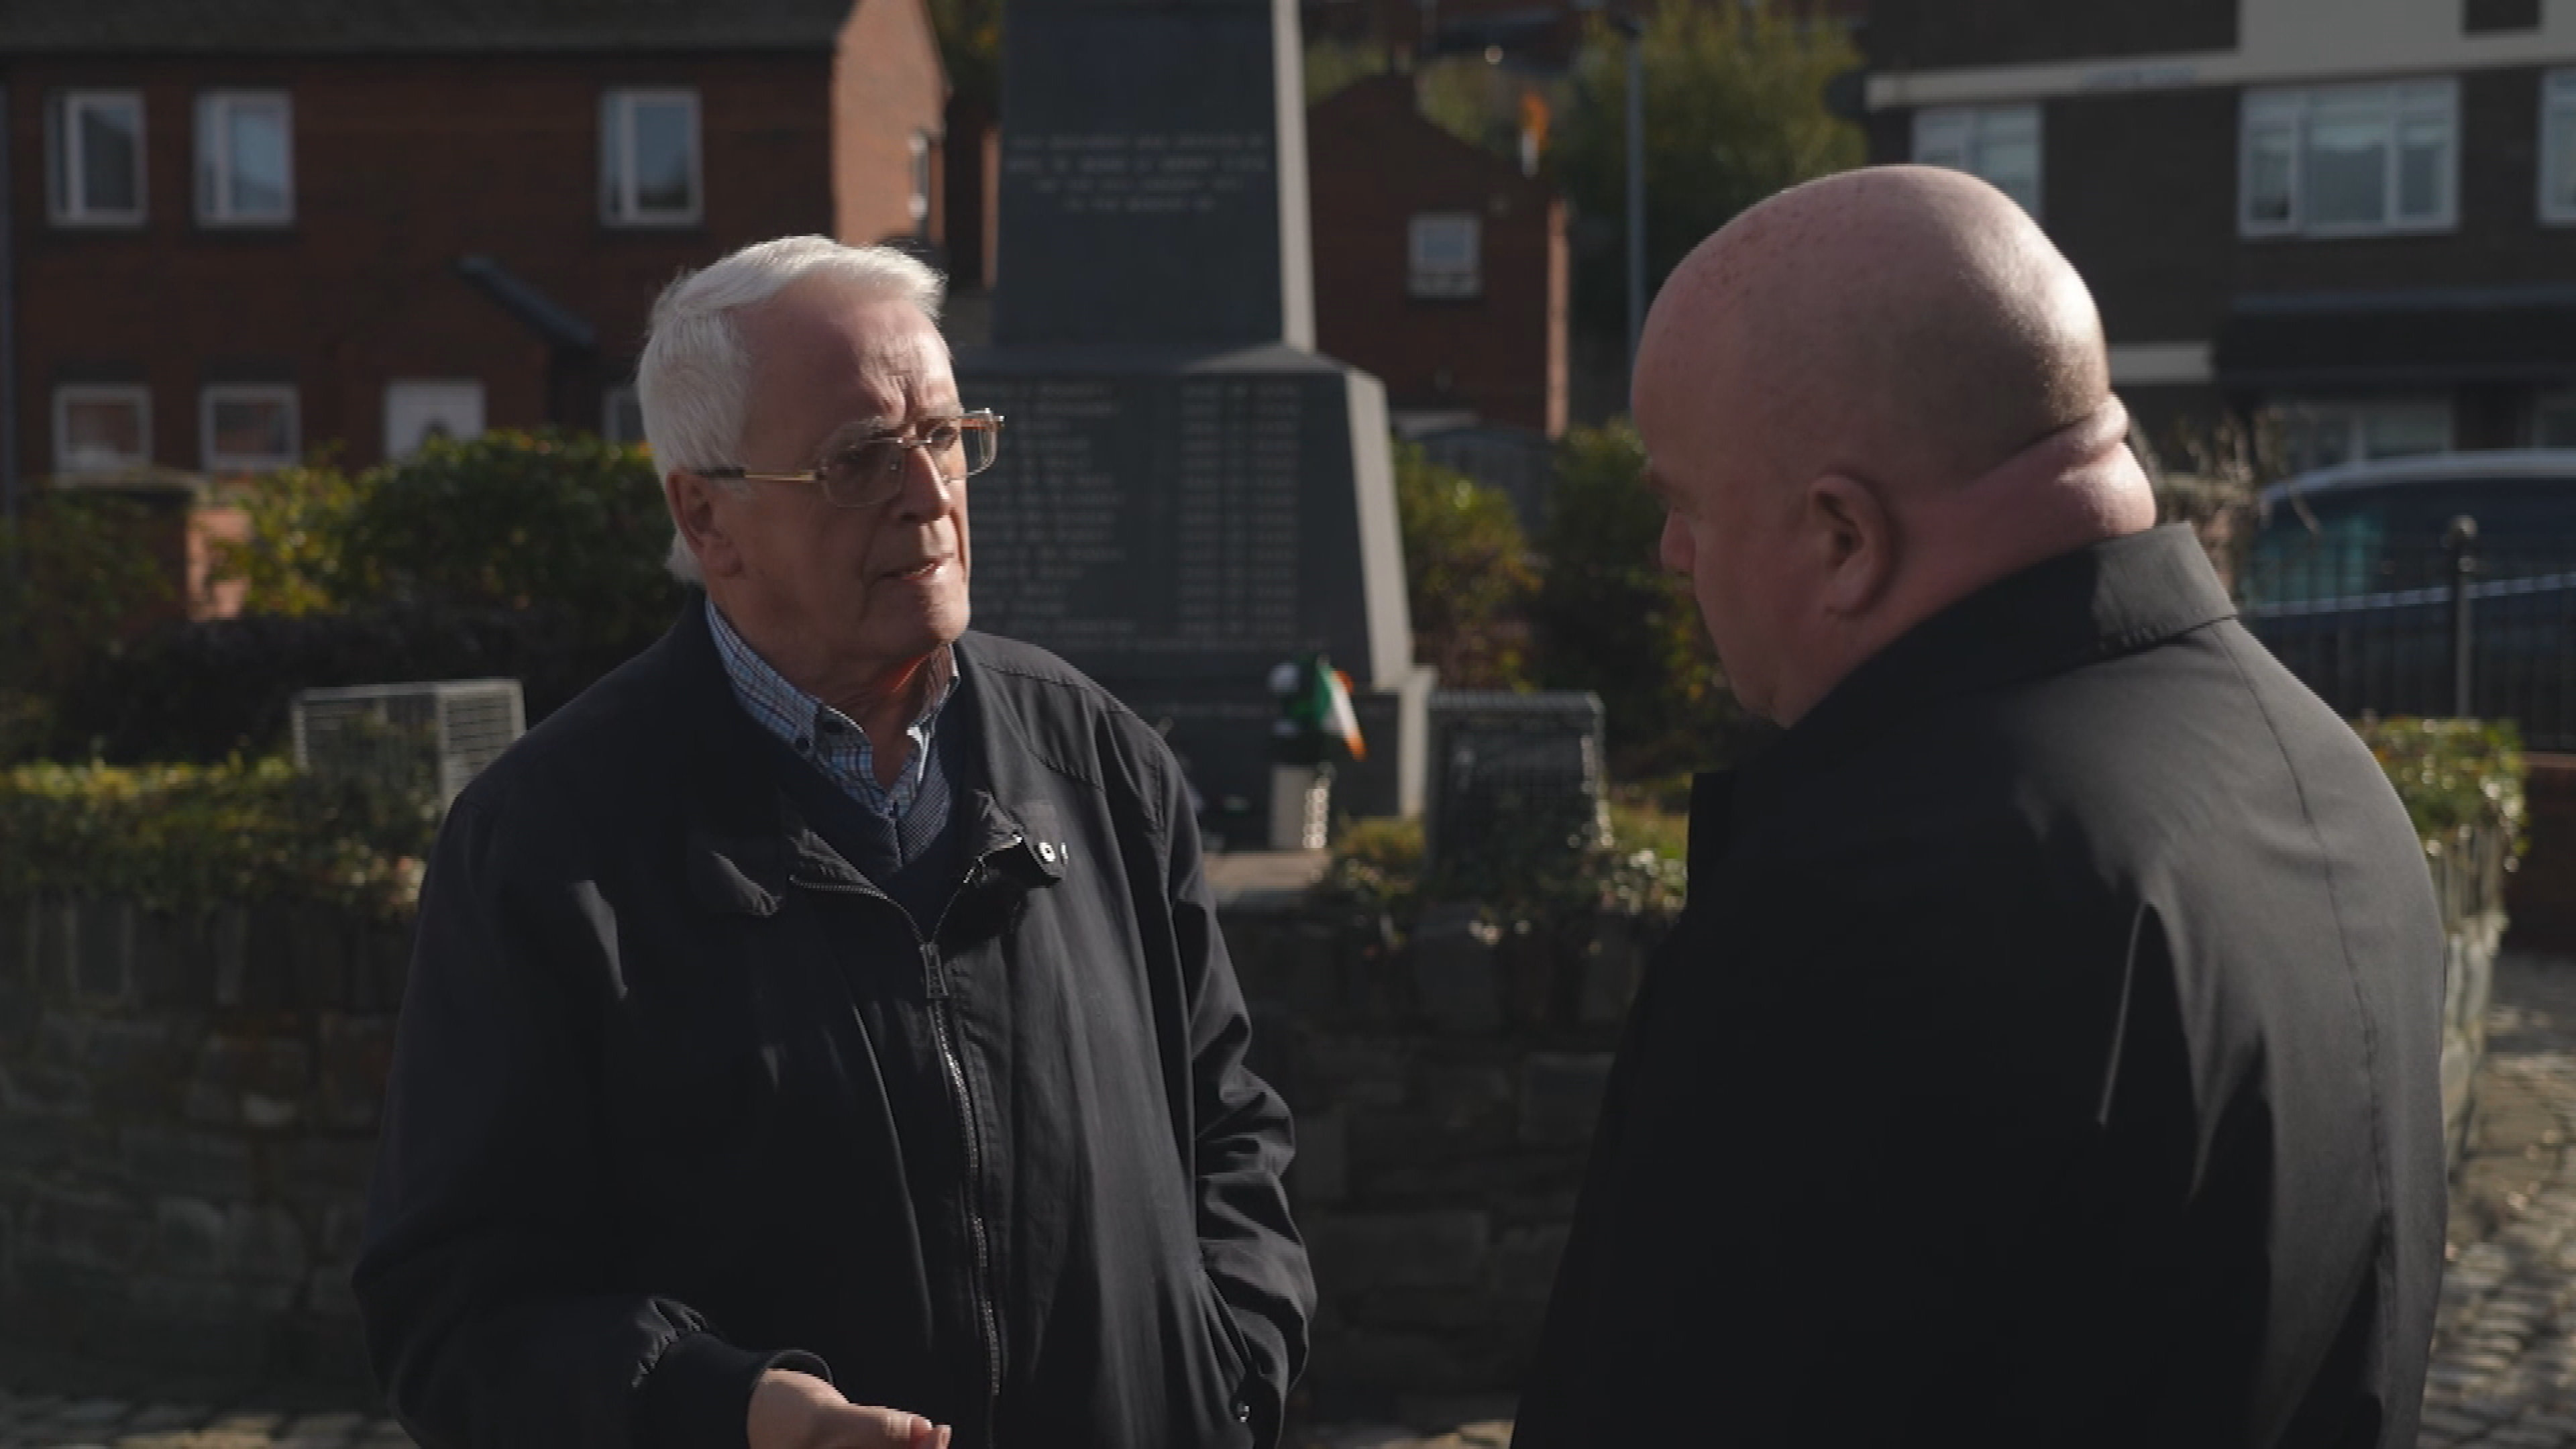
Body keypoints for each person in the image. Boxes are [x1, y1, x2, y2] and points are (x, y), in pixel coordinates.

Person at [1511, 168, 2444, 1448]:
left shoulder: (1873, 905)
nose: (1672, 555)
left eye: (1684, 506)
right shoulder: (2327, 773)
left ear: (1845, 539)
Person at [354, 237, 1313, 1449]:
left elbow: (1228, 1130)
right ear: (708, 517)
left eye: (945, 436)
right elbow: (457, 1313)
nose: (929, 494)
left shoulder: (1101, 763)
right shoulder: (548, 845)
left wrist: (1230, 1378)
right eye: (860, 460)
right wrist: (732, 1413)